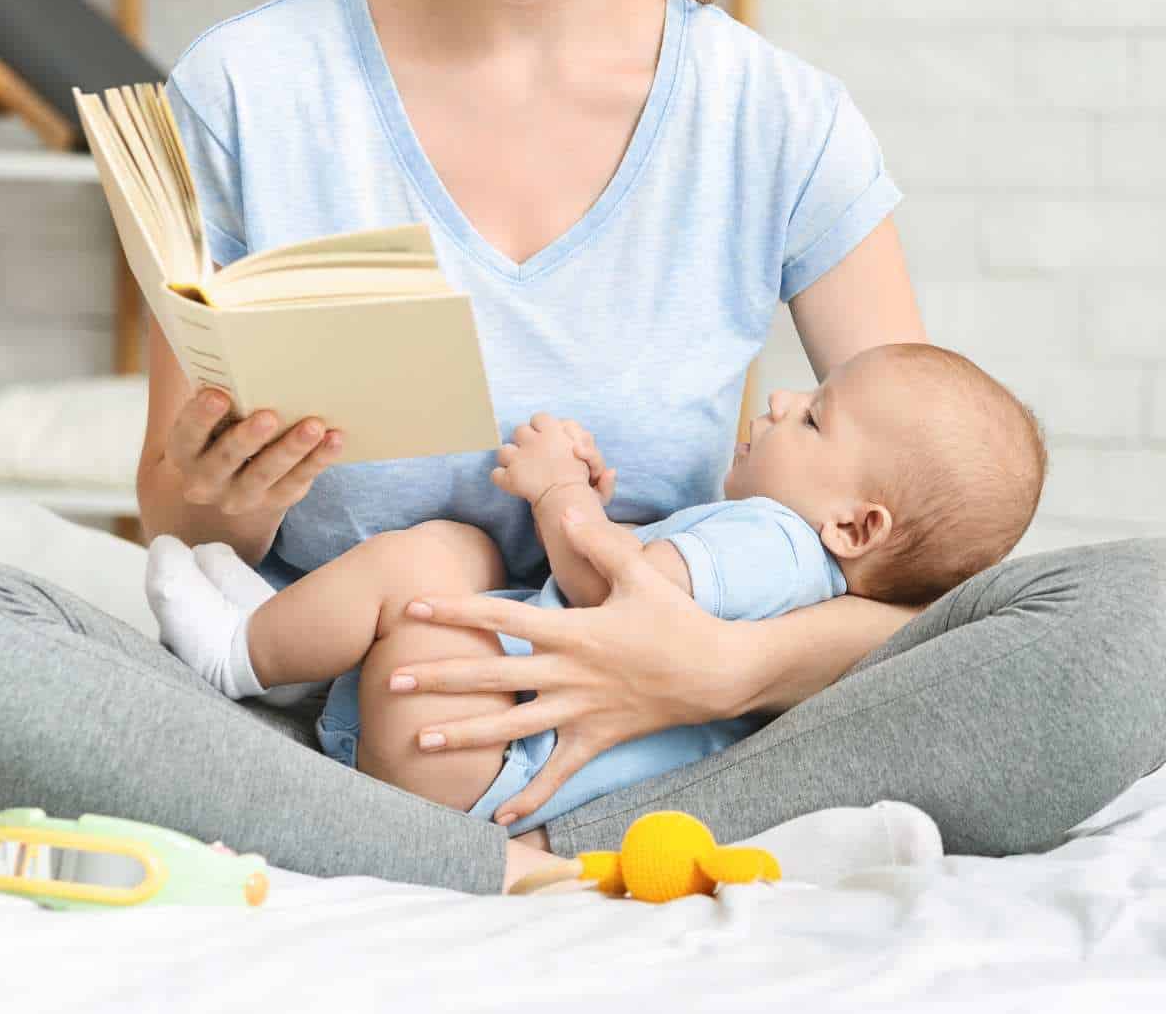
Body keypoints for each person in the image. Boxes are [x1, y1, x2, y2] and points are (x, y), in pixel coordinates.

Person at [0, 0, 1164, 896]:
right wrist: (199, 506)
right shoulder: (252, 88)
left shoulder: (773, 123)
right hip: (318, 728)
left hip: (679, 749)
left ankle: (522, 850)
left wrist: (719, 666)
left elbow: (914, 570)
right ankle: (460, 856)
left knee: (1140, 622)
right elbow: (183, 524)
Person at [142, 341, 1049, 837]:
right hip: (476, 763)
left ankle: (239, 657)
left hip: (479, 748)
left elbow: (609, 595)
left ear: (855, 527)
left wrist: (557, 491)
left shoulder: (770, 541)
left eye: (812, 417)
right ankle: (289, 642)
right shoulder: (792, 572)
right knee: (453, 561)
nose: (777, 403)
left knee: (433, 565)